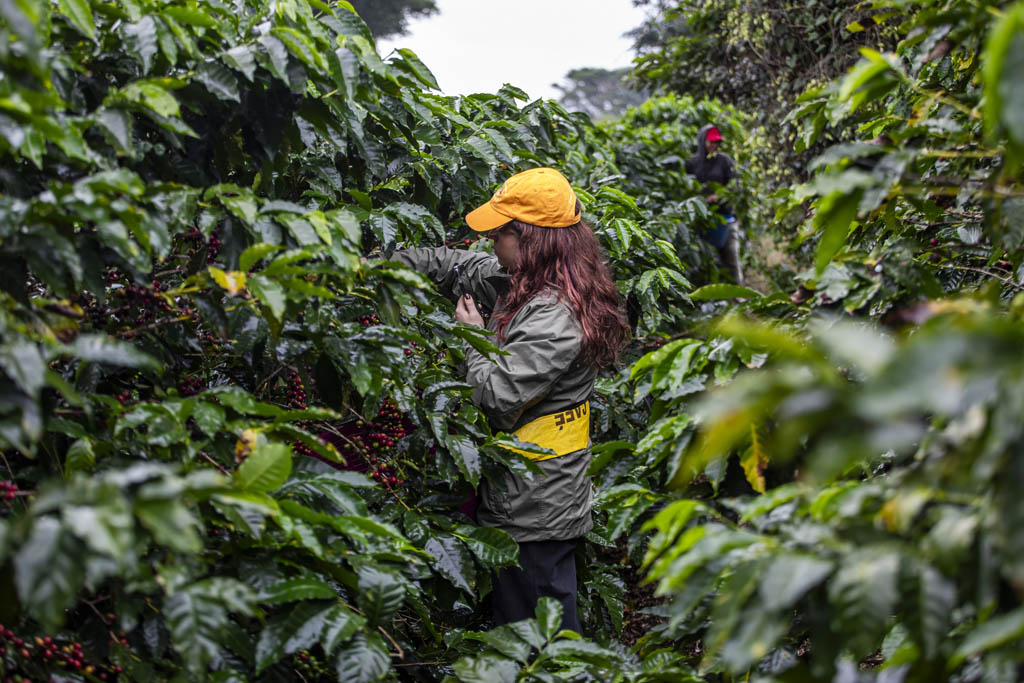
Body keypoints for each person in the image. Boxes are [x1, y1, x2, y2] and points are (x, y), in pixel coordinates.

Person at [392, 167, 629, 632]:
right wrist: (379, 264)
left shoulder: (555, 316)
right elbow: (456, 265)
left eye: (498, 233)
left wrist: (471, 336)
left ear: (529, 240)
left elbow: (496, 398)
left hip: (536, 504)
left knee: (539, 639)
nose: (489, 242)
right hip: (525, 491)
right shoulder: (523, 281)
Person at [684, 124, 743, 285]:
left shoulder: (725, 161)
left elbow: (735, 185)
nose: (714, 146)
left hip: (725, 217)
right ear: (703, 142)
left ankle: (737, 292)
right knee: (703, 261)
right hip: (701, 219)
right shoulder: (692, 163)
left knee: (731, 257)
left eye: (717, 142)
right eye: (711, 142)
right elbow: (686, 187)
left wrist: (720, 195)